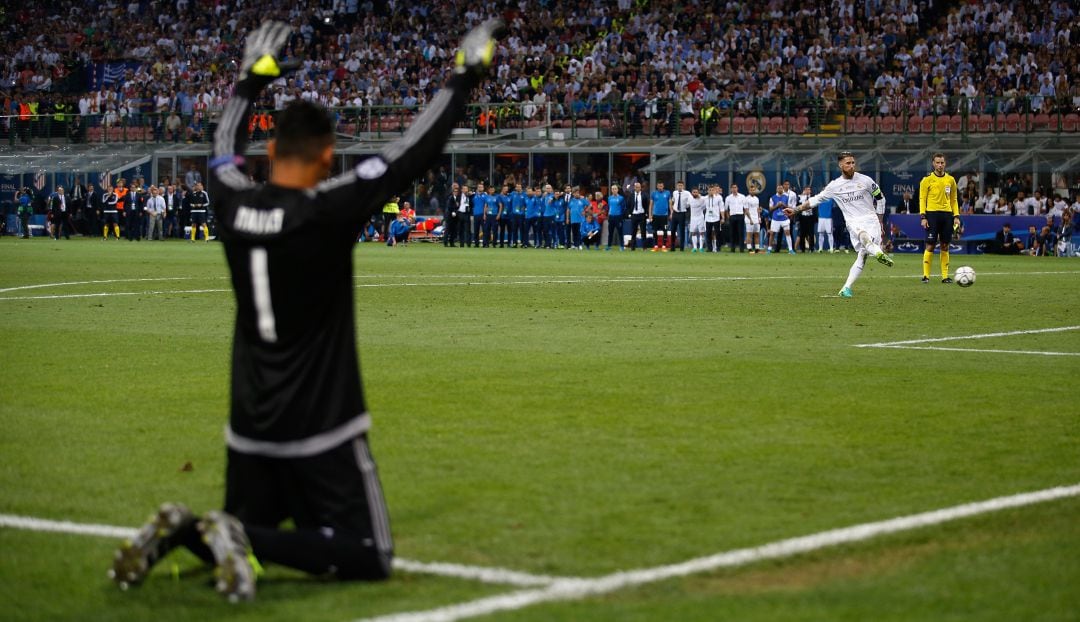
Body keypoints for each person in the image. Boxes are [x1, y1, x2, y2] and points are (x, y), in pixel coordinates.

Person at [109, 19, 504, 602]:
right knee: (369, 555)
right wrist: (463, 78)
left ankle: (185, 532)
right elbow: (410, 152)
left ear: (269, 151)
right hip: (323, 423)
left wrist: (247, 84)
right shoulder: (327, 208)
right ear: (327, 156)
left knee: (245, 527)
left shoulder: (231, 201)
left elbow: (220, 148)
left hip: (250, 423)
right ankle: (225, 532)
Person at [785, 151, 894, 297]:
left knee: (863, 255)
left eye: (853, 163)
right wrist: (795, 210)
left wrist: (880, 220)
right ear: (840, 165)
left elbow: (880, 198)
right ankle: (880, 253)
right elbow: (815, 200)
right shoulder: (835, 186)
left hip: (871, 219)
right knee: (863, 236)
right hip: (853, 221)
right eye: (848, 163)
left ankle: (846, 288)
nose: (851, 166)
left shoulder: (866, 180)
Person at [918, 153, 960, 283]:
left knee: (945, 245)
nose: (940, 165)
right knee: (930, 245)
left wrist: (956, 216)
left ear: (945, 163)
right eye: (937, 162)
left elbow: (954, 199)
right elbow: (922, 199)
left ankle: (945, 276)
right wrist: (923, 217)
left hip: (947, 215)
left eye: (942, 163)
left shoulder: (950, 180)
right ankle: (926, 275)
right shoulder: (926, 180)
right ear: (933, 164)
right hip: (932, 215)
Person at [767, 184, 794, 254]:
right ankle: (769, 249)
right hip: (775, 219)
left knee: (787, 233)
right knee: (772, 234)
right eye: (778, 188)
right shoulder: (772, 198)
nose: (780, 189)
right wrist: (777, 206)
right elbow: (770, 209)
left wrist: (783, 205)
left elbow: (790, 207)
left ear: (783, 189)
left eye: (781, 188)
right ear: (776, 189)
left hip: (784, 218)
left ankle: (790, 250)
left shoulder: (786, 197)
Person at [649, 180, 671, 251]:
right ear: (657, 186)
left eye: (661, 186)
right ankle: (655, 246)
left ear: (663, 186)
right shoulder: (653, 193)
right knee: (654, 231)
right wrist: (650, 215)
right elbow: (651, 205)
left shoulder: (667, 193)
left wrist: (671, 213)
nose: (660, 187)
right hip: (655, 216)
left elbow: (670, 204)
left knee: (665, 231)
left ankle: (664, 246)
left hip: (664, 216)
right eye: (659, 186)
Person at [627, 181, 649, 250]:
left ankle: (644, 247)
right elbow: (628, 205)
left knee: (643, 231)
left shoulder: (644, 195)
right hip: (634, 215)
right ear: (634, 188)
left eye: (639, 187)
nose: (637, 188)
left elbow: (647, 204)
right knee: (633, 231)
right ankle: (632, 247)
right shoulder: (631, 195)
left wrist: (646, 213)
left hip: (642, 215)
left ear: (640, 188)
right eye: (636, 187)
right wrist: (629, 214)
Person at [724, 183, 746, 252]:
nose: (734, 189)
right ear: (731, 189)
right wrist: (728, 217)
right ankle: (732, 248)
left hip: (740, 216)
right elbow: (726, 209)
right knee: (732, 233)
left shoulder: (742, 196)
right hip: (732, 216)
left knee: (741, 233)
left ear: (737, 188)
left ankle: (741, 249)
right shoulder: (728, 198)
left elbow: (745, 208)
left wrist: (744, 216)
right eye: (733, 187)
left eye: (735, 187)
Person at [704, 184, 724, 252]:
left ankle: (718, 248)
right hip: (708, 219)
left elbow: (721, 208)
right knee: (708, 234)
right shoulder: (705, 198)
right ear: (707, 191)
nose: (711, 191)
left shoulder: (719, 198)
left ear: (714, 190)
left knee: (717, 234)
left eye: (712, 190)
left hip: (716, 218)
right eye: (710, 190)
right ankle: (709, 248)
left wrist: (723, 217)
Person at [605, 183, 625, 250]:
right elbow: (609, 207)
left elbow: (623, 208)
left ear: (617, 190)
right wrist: (608, 215)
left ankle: (622, 246)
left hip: (618, 217)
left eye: (615, 189)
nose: (614, 190)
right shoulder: (609, 198)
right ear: (611, 190)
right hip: (611, 217)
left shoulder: (621, 198)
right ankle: (609, 246)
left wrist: (621, 217)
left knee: (620, 232)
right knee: (610, 232)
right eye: (612, 189)